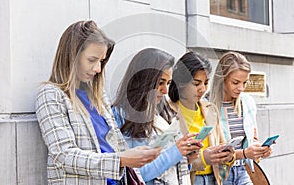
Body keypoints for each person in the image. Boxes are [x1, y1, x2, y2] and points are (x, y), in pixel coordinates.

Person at [35, 20, 161, 185]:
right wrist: (121, 160)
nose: (98, 69)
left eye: (101, 61)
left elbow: (118, 144)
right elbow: (64, 155)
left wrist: (135, 158)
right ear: (72, 57)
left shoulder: (97, 95)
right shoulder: (51, 95)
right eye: (92, 60)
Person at [112, 48, 202, 185]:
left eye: (168, 83)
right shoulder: (120, 116)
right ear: (144, 80)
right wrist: (176, 152)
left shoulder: (162, 113)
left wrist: (186, 157)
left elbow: (170, 165)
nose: (165, 90)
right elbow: (134, 175)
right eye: (160, 82)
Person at [168, 51, 235, 185]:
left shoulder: (210, 109)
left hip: (214, 178)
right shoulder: (167, 112)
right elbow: (168, 163)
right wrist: (203, 159)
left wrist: (228, 156)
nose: (202, 89)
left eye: (206, 83)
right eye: (196, 83)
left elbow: (222, 143)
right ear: (181, 82)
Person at [209, 51, 273, 185]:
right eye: (235, 82)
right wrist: (244, 153)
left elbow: (253, 139)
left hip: (244, 171)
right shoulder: (206, 106)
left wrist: (260, 149)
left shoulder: (247, 102)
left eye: (244, 83)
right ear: (222, 78)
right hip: (217, 175)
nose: (241, 88)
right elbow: (211, 152)